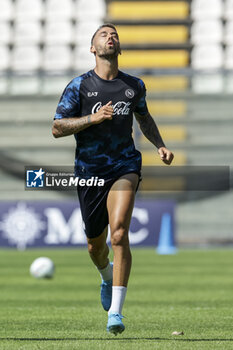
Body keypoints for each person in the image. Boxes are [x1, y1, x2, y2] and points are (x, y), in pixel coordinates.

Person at [52, 23, 174, 335]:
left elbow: (144, 118)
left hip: (124, 166)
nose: (111, 36)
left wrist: (159, 144)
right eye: (104, 35)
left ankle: (115, 314)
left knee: (118, 234)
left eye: (114, 34)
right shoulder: (78, 86)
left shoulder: (133, 86)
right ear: (93, 48)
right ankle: (106, 276)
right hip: (90, 172)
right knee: (95, 246)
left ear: (119, 48)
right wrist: (92, 118)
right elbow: (57, 128)